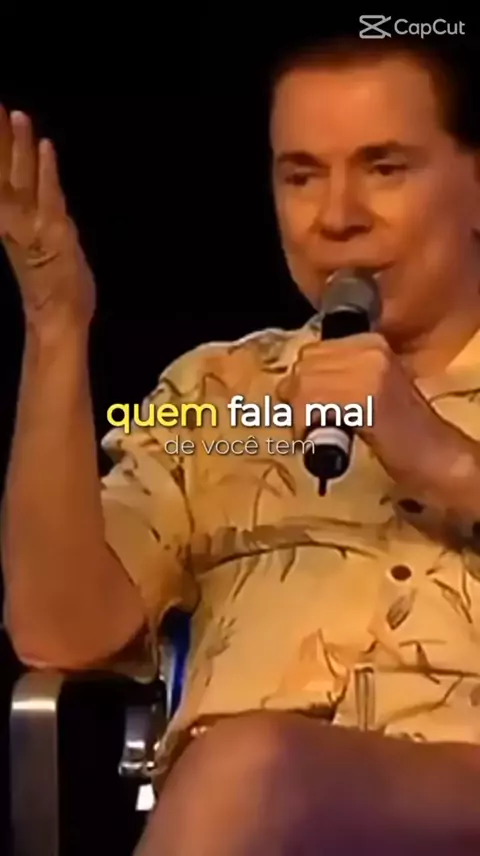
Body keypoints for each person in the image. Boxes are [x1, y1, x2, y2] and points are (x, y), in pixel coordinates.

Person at [3, 33, 480, 855]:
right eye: (301, 175)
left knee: (253, 771)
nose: (338, 217)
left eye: (385, 168)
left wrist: (440, 457)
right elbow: (59, 631)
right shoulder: (220, 397)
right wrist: (55, 329)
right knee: (248, 776)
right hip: (240, 824)